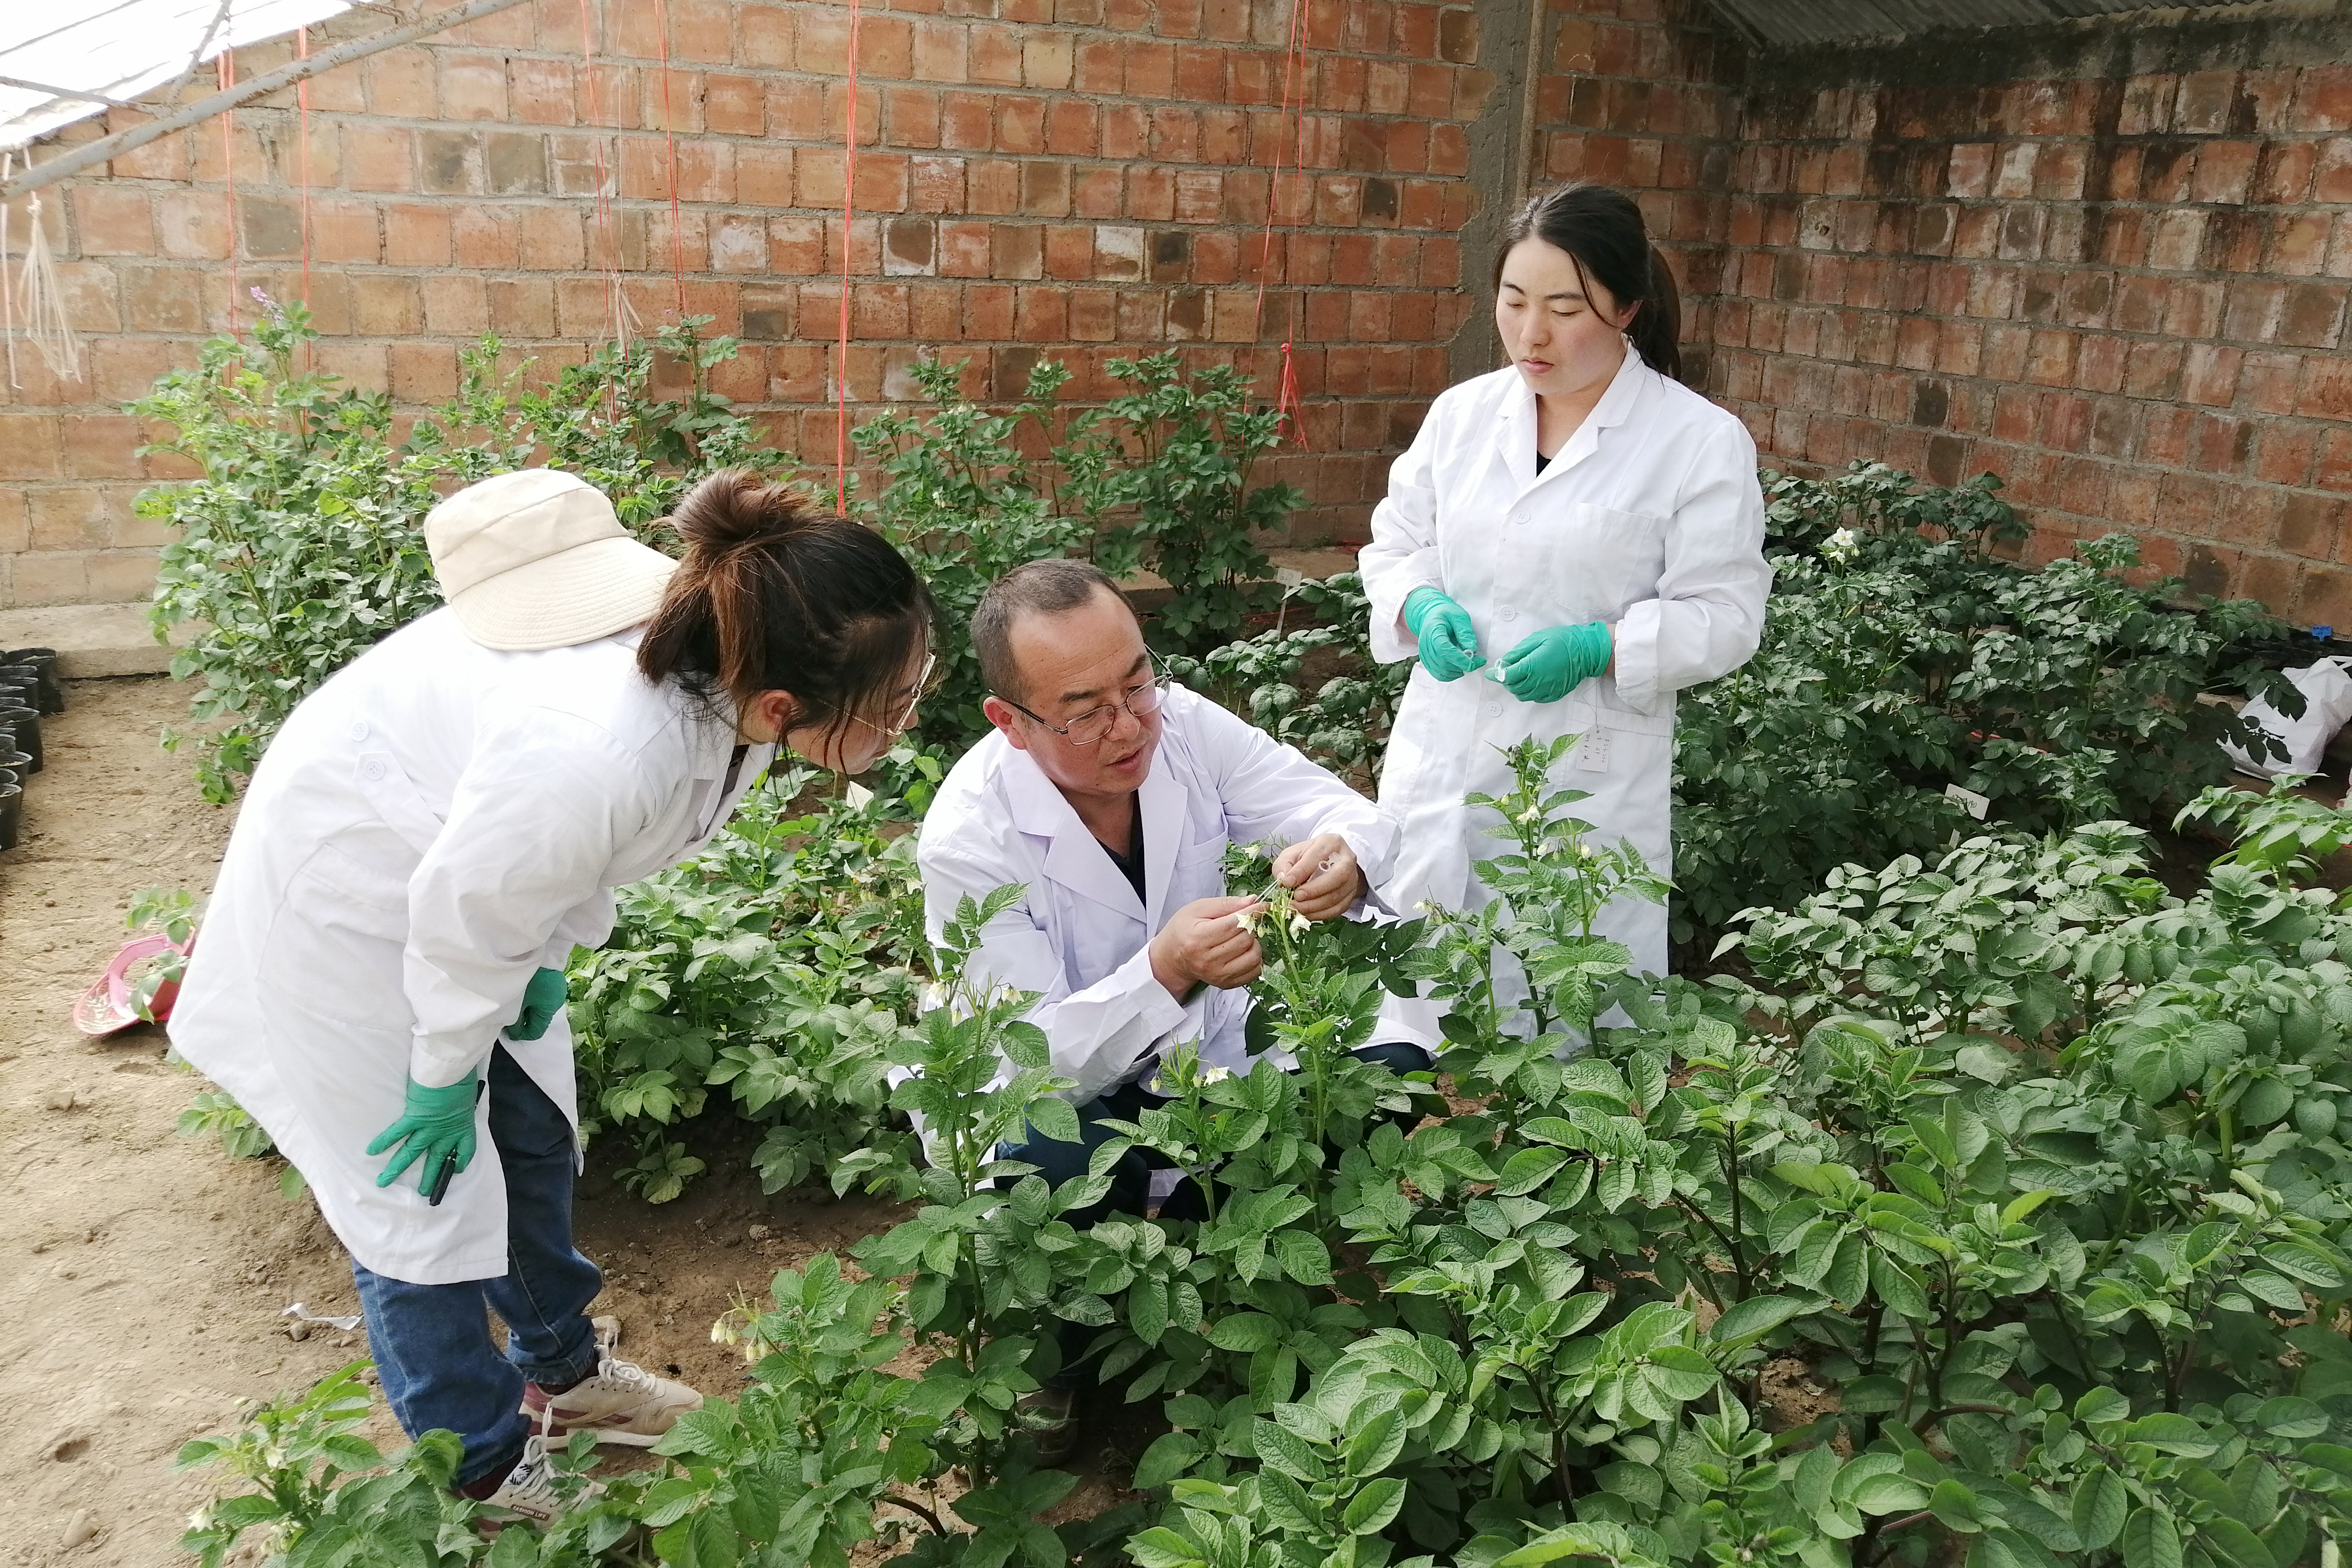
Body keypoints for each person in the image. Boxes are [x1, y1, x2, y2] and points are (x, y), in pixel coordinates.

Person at [169, 468, 933, 1522]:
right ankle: (481, 1466)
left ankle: (564, 1375)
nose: (904, 719)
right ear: (781, 706)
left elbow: (558, 870)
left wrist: (535, 963)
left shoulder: (734, 663)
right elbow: (467, 911)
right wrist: (441, 1073)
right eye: (892, 705)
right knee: (416, 1204)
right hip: (350, 902)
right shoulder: (599, 742)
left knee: (529, 1134)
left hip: (459, 876)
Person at [916, 559, 1414, 1451]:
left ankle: (1249, 1291)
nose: (1128, 724)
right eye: (1086, 710)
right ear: (1011, 722)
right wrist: (1165, 968)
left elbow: (1331, 809)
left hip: (1203, 1059)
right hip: (1058, 1090)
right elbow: (1035, 1054)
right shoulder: (969, 837)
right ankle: (1054, 1370)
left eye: (1137, 682)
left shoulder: (1180, 725)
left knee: (1389, 1070)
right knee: (1046, 1166)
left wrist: (1340, 855)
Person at [1358, 182, 1772, 1046]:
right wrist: (1419, 600)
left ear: (1626, 307)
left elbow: (1727, 614)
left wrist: (1604, 645)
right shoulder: (1463, 416)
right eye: (1513, 301)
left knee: (1562, 1014)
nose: (1530, 334)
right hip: (1443, 747)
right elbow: (1396, 541)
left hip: (1585, 774)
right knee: (1411, 1009)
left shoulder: (1698, 441)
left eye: (1564, 308)